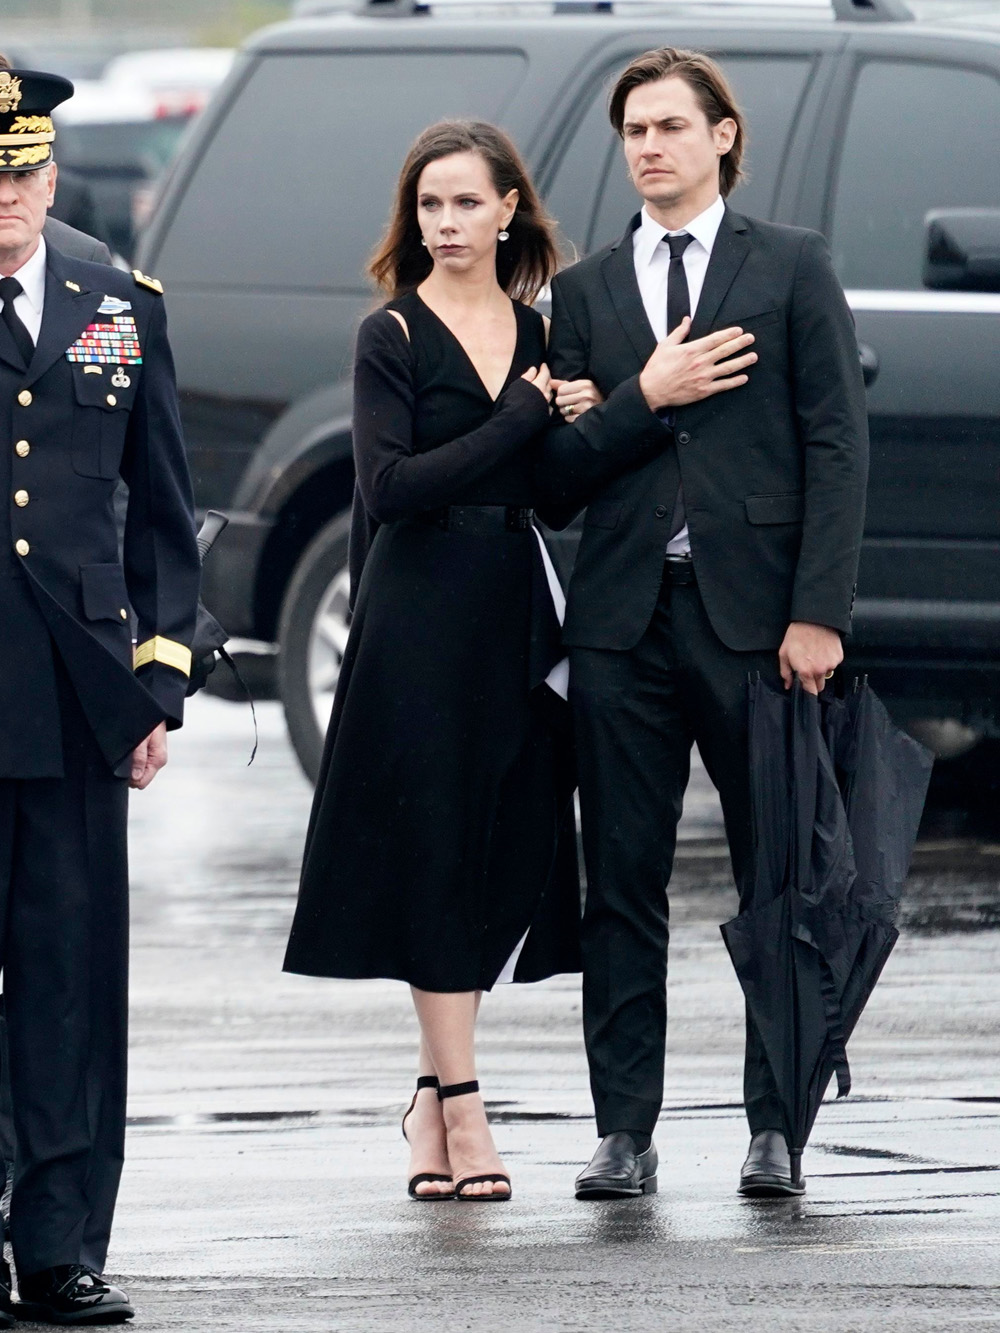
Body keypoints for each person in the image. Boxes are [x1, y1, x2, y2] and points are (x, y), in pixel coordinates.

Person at [545, 47, 869, 1200]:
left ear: (722, 135)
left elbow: (836, 444)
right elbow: (556, 479)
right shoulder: (580, 295)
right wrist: (644, 398)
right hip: (622, 626)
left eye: (672, 126)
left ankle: (774, 1125)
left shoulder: (788, 265)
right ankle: (622, 1129)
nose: (649, 147)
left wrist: (816, 614)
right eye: (633, 129)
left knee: (777, 880)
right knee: (619, 880)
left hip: (759, 630)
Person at [284, 120, 585, 1203]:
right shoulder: (393, 336)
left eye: (466, 203)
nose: (447, 224)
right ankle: (463, 1105)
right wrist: (518, 418)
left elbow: (549, 494)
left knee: (497, 847)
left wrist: (577, 426)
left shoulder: (544, 332)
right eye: (429, 206)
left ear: (510, 209)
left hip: (510, 612)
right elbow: (394, 489)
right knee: (433, 846)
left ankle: (428, 1091)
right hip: (417, 618)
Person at [0, 66, 200, 1322]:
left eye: (16, 174)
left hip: (75, 699)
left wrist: (160, 674)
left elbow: (165, 514)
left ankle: (61, 1244)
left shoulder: (112, 299)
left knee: (68, 981)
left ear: (51, 174)